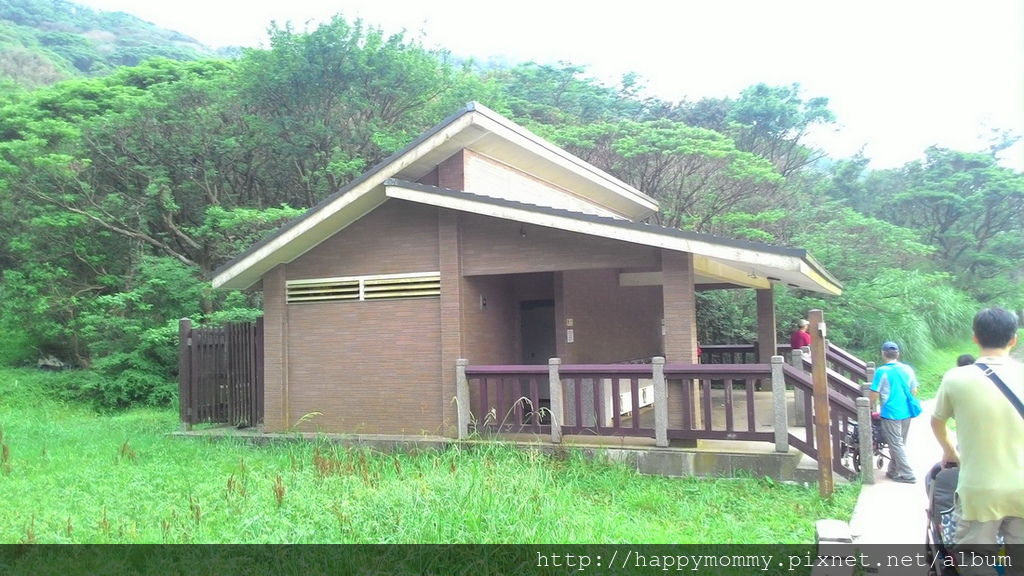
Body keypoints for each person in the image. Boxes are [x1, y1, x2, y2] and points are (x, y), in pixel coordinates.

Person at [931, 307, 1024, 563]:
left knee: (974, 560)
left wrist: (951, 451)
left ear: (975, 337)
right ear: (1013, 339)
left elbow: (937, 423)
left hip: (979, 491)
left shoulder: (956, 378)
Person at [869, 340, 921, 483]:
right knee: (899, 443)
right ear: (898, 354)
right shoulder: (908, 369)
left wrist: (868, 406)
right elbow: (914, 390)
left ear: (883, 354)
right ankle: (893, 470)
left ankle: (908, 474)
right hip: (906, 411)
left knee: (896, 444)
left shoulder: (882, 371)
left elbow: (874, 393)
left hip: (890, 412)